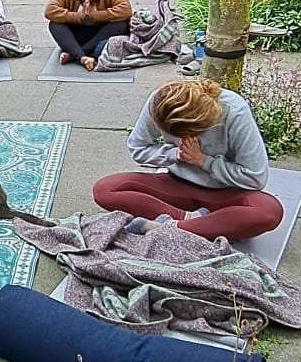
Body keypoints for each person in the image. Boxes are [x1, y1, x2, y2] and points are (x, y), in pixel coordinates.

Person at [93, 76, 283, 241]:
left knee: (269, 212)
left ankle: (167, 228)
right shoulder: (160, 102)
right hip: (176, 185)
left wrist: (203, 161)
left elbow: (255, 177)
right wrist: (174, 155)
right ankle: (190, 221)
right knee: (105, 189)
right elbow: (137, 146)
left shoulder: (234, 110)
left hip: (226, 192)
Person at [44, 0, 132, 70]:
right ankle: (82, 57)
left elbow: (126, 10)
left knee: (122, 24)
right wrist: (78, 17)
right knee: (54, 24)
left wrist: (95, 15)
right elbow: (49, 11)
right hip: (77, 33)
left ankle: (75, 54)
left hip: (99, 32)